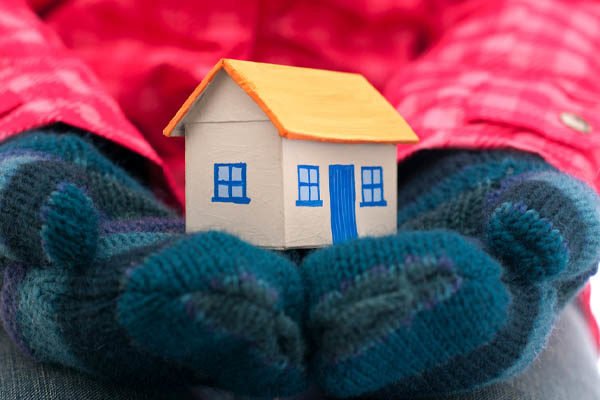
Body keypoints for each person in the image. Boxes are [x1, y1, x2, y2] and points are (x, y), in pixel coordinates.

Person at [0, 0, 599, 399]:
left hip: (421, 183)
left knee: (513, 372)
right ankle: (59, 307)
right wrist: (33, 131)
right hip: (92, 169)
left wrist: (490, 154)